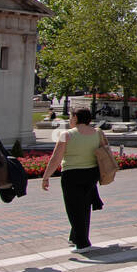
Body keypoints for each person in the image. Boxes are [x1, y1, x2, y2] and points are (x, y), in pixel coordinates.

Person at [40, 108, 106, 253]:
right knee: (84, 207)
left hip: (72, 174)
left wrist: (46, 177)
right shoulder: (98, 133)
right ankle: (76, 237)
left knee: (73, 209)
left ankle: (82, 243)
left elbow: (55, 158)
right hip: (91, 174)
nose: (70, 119)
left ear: (76, 117)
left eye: (71, 116)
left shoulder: (66, 135)